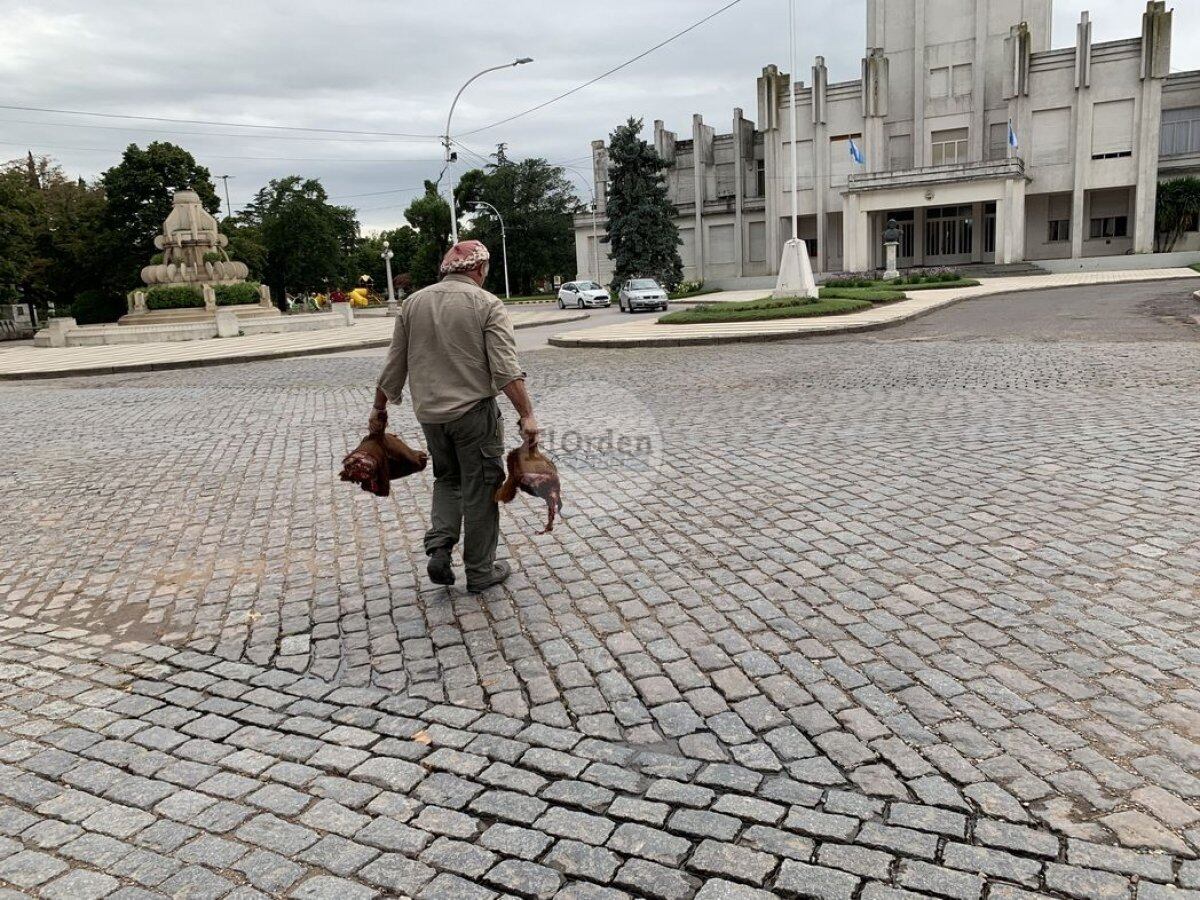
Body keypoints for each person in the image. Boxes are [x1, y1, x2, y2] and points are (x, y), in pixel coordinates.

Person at [370, 240, 539, 593]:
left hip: (431, 416)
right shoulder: (486, 303)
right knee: (480, 489)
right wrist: (527, 415)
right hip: (474, 415)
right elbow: (506, 368)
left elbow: (393, 365)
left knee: (447, 481)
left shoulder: (413, 303)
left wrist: (378, 410)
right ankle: (479, 572)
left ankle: (440, 547)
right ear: (480, 270)